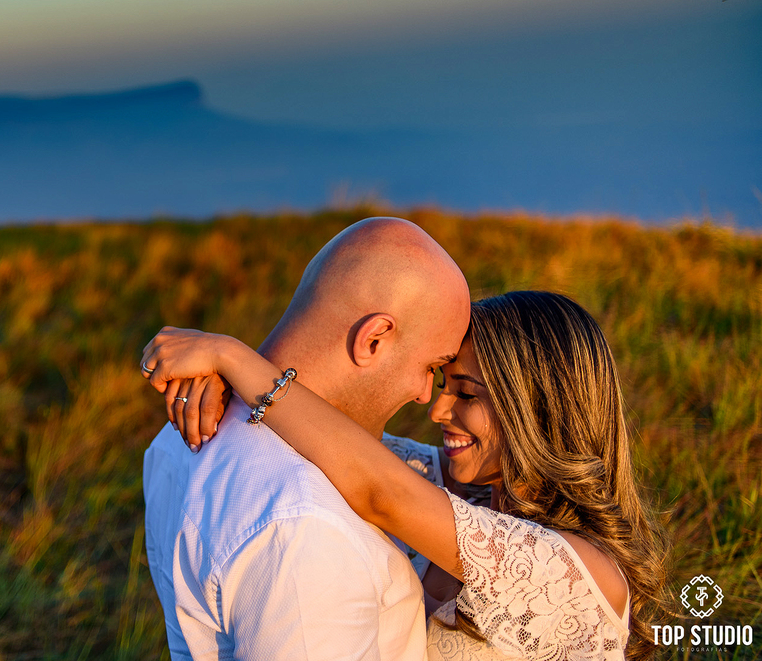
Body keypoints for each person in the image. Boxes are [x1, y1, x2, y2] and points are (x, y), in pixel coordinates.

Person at [142, 290, 668, 661]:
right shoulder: (465, 493)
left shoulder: (579, 572)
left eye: (466, 394)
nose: (437, 410)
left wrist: (232, 356)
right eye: (443, 385)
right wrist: (229, 386)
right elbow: (338, 438)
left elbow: (380, 489)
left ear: (537, 409)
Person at [141, 216, 472, 660]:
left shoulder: (179, 432)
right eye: (430, 367)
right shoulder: (309, 528)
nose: (424, 395)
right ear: (373, 339)